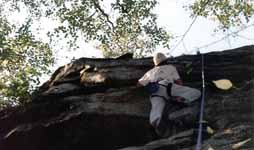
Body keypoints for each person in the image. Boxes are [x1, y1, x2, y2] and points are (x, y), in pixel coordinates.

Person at [137, 52, 201, 137]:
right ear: (165, 60)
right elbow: (179, 82)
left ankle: (156, 124)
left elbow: (138, 84)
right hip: (167, 87)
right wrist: (179, 93)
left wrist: (149, 82)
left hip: (155, 91)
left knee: (156, 110)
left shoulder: (150, 72)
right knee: (196, 93)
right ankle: (180, 100)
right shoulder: (170, 67)